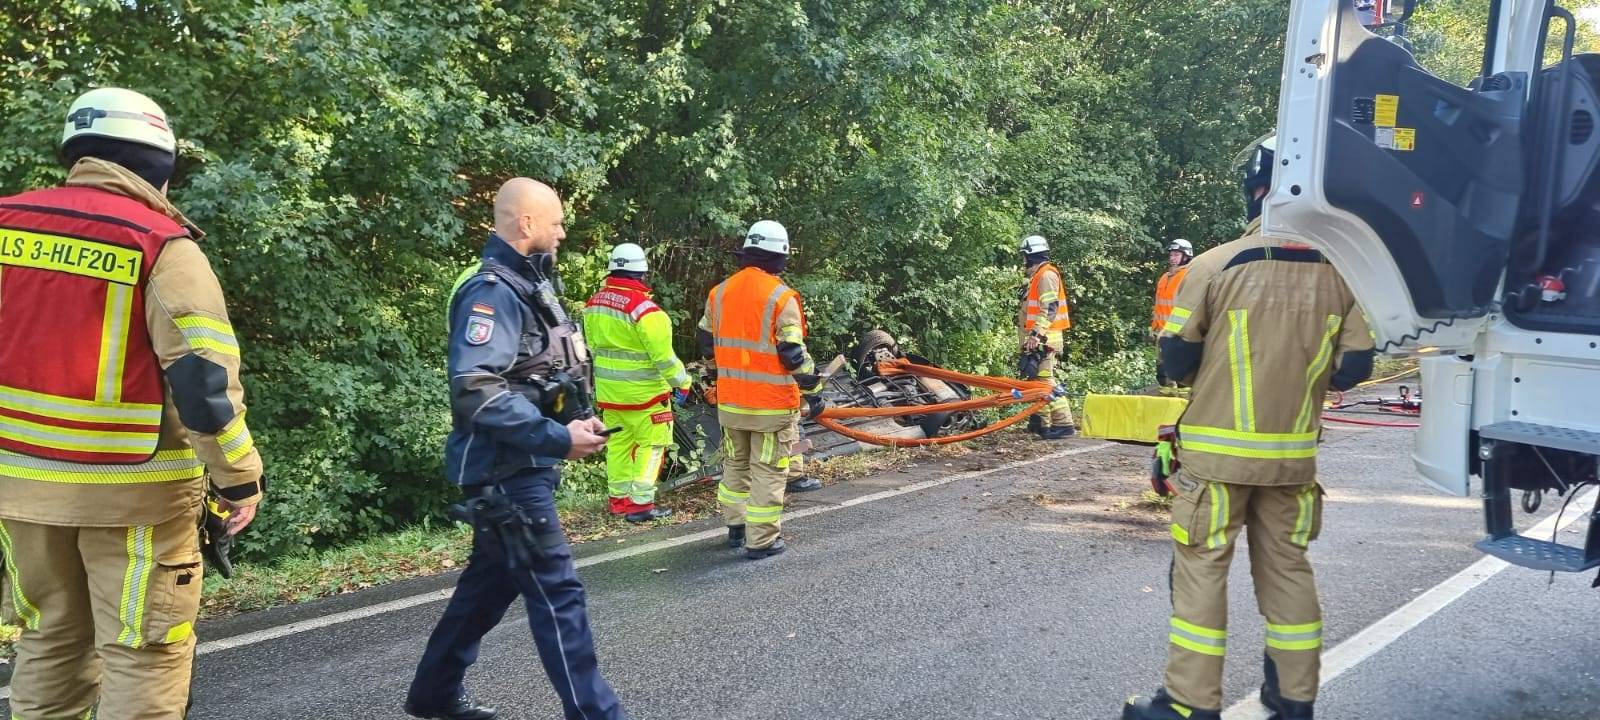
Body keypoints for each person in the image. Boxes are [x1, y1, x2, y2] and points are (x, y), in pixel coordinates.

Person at [0, 87, 264, 719]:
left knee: (48, 640)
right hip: (134, 495)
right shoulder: (163, 245)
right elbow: (202, 384)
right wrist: (238, 479)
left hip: (16, 491)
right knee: (144, 649)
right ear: (160, 167)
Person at [1121, 134, 1375, 720]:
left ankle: (1190, 706)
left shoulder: (1214, 265)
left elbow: (1175, 364)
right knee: (1288, 571)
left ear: (1258, 190)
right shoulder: (1343, 273)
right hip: (1292, 464)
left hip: (1213, 464)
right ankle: (1293, 698)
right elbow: (1352, 371)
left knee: (1201, 575)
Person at [406, 178, 623, 720]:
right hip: (508, 472)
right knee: (559, 594)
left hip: (524, 463)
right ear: (526, 223)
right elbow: (476, 388)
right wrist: (555, 437)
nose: (563, 231)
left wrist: (576, 420)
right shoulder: (493, 291)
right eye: (555, 221)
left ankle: (432, 696)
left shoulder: (530, 285)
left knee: (488, 585)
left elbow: (537, 373)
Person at [698, 220, 825, 559]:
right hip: (769, 406)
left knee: (736, 466)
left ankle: (736, 529)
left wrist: (720, 377)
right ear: (779, 257)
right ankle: (762, 540)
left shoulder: (719, 292)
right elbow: (792, 353)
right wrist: (813, 388)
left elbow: (706, 343)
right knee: (768, 470)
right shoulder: (781, 297)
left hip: (731, 403)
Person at [583, 242, 690, 523]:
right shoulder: (646, 311)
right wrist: (683, 382)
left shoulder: (594, 304)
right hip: (646, 396)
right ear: (642, 274)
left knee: (618, 446)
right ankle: (641, 505)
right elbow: (664, 358)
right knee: (652, 447)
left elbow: (593, 349)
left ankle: (619, 500)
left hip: (610, 394)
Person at [1018, 234, 1077, 439]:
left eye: (1024, 256)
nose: (1023, 261)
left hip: (1045, 338)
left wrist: (1036, 334)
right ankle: (1040, 423)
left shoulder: (1046, 275)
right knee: (1036, 381)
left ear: (1031, 256)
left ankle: (1063, 423)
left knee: (1045, 382)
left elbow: (1050, 308)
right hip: (1037, 338)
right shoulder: (1037, 277)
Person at [1152, 239, 1195, 385]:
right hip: (1162, 334)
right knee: (1162, 376)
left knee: (1182, 377)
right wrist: (1155, 328)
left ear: (1186, 256)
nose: (1172, 258)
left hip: (1179, 335)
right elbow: (1159, 305)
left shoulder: (1189, 276)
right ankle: (1168, 402)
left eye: (1176, 254)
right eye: (1171, 254)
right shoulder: (1164, 277)